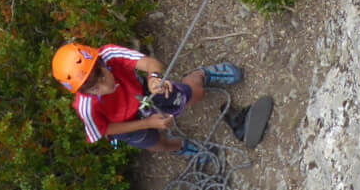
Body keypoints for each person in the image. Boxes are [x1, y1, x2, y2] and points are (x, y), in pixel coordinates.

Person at [51, 41, 243, 156]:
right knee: (158, 144)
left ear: (100, 62)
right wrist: (148, 123)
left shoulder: (109, 55)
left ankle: (199, 76)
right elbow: (106, 129)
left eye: (101, 76)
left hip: (144, 92)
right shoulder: (86, 107)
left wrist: (154, 79)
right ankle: (182, 146)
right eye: (94, 89)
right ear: (83, 92)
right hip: (126, 123)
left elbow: (151, 63)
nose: (105, 87)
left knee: (194, 95)